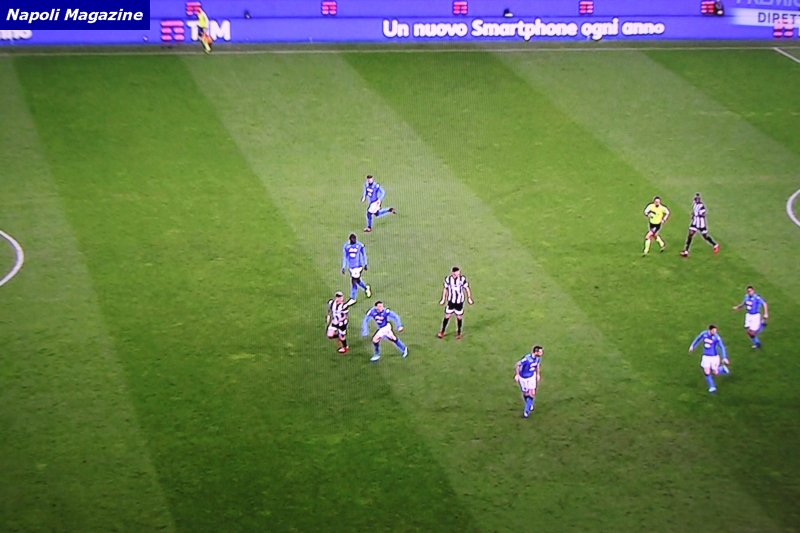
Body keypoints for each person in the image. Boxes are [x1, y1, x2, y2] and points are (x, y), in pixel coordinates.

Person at [689, 325, 730, 394]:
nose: (715, 332)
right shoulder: (704, 334)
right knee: (706, 371)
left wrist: (724, 357)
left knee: (715, 372)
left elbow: (722, 347)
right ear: (709, 330)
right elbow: (698, 339)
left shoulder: (717, 337)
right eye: (713, 331)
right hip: (706, 357)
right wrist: (692, 346)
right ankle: (712, 387)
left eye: (715, 331)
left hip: (714, 357)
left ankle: (722, 369)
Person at [438, 266, 473, 339]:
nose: (459, 273)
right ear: (453, 273)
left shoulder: (462, 279)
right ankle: (442, 331)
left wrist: (469, 298)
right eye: (457, 272)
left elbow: (467, 288)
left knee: (459, 317)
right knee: (447, 316)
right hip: (451, 301)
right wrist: (443, 299)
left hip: (459, 302)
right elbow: (445, 289)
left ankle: (459, 332)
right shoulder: (448, 279)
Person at [514, 346, 542, 418]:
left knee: (532, 393)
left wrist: (538, 374)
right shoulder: (527, 359)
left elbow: (537, 365)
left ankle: (526, 412)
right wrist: (517, 375)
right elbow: (517, 364)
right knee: (525, 394)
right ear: (536, 352)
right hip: (523, 378)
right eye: (540, 352)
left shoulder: (538, 358)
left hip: (531, 377)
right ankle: (529, 404)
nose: (541, 353)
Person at [341, 233, 371, 301]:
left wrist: (365, 264)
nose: (354, 240)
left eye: (355, 239)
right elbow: (345, 257)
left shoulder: (359, 245)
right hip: (351, 267)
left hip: (358, 266)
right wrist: (343, 267)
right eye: (353, 239)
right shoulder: (346, 246)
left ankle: (353, 297)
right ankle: (366, 288)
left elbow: (363, 254)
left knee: (354, 281)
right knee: (357, 281)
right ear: (350, 239)